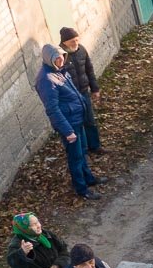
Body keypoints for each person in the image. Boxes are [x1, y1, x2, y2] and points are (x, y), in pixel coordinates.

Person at [34, 44, 106, 200]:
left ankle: (89, 179)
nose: (61, 60)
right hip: (70, 124)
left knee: (82, 152)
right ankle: (82, 189)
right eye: (57, 58)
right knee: (75, 157)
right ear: (49, 59)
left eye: (62, 56)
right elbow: (52, 109)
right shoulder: (47, 80)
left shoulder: (59, 71)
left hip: (77, 119)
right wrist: (67, 131)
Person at [59, 27, 104, 156]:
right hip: (71, 97)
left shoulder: (81, 50)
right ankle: (82, 151)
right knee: (77, 124)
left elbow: (89, 70)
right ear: (64, 42)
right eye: (72, 41)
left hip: (84, 92)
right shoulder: (60, 56)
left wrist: (95, 89)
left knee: (89, 120)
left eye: (77, 40)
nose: (75, 43)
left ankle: (95, 146)